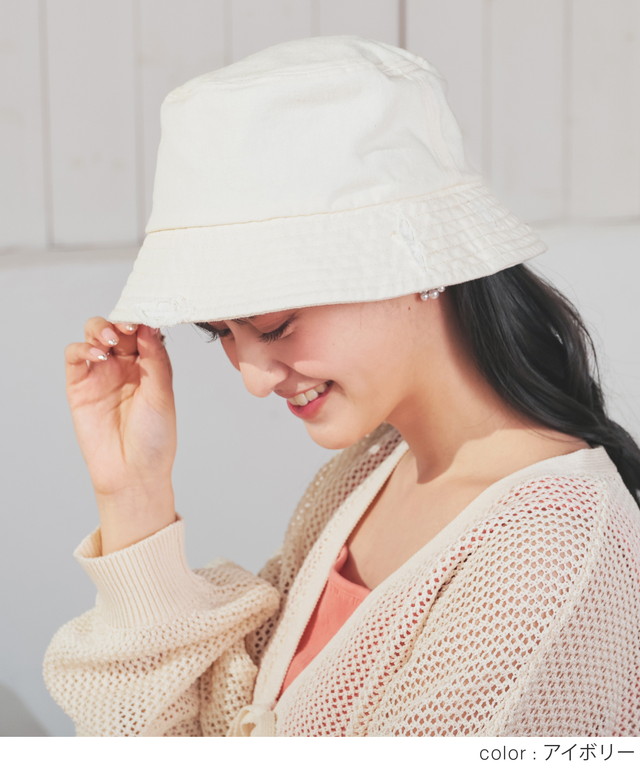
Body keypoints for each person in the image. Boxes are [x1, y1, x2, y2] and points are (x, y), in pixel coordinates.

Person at [43, 35, 640, 737]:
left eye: (275, 326)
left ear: (420, 263)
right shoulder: (368, 473)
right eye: (221, 334)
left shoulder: (548, 555)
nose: (253, 379)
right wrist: (133, 493)